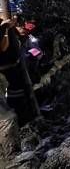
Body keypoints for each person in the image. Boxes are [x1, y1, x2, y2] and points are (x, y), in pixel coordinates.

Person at [0, 18, 21, 162]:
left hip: (9, 69)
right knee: (8, 119)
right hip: (6, 68)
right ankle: (11, 157)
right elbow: (2, 47)